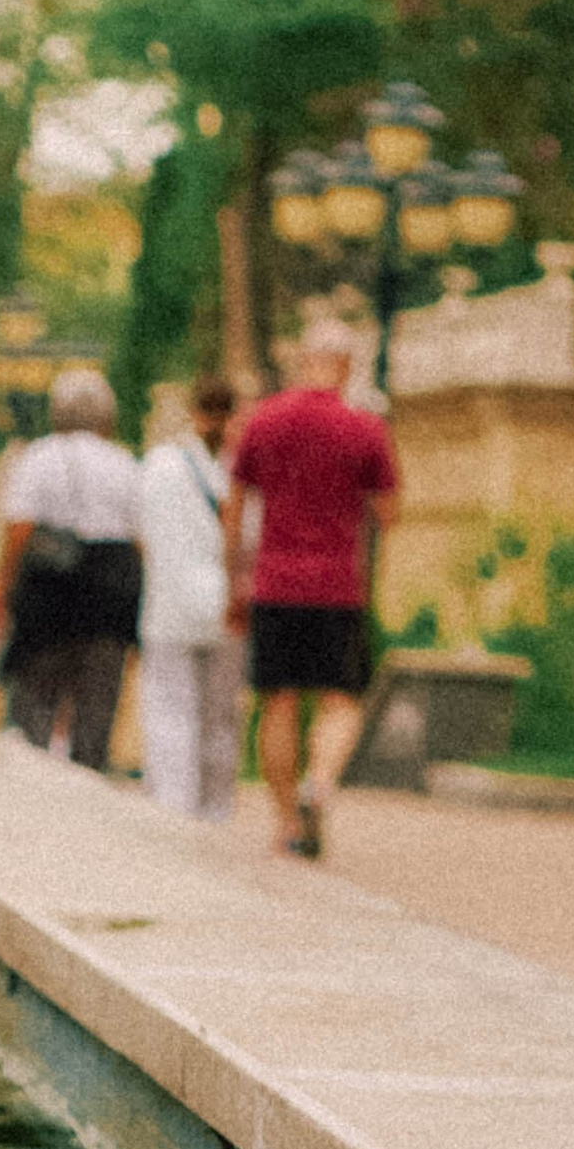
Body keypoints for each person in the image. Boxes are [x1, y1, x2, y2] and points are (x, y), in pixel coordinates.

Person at [224, 320, 397, 861]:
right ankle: (318, 785)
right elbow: (389, 514)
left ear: (303, 360)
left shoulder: (263, 421)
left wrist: (236, 577)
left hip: (273, 583)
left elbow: (235, 507)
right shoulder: (365, 429)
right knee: (341, 701)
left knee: (277, 702)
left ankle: (285, 822)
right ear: (347, 366)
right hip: (337, 587)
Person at [0, 366, 144, 770]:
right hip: (110, 591)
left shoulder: (39, 457)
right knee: (96, 705)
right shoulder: (124, 462)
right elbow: (140, 539)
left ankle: (30, 783)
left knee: (36, 699)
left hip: (50, 589)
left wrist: (5, 581)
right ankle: (89, 786)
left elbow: (20, 527)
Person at [135, 380, 242, 819]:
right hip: (224, 604)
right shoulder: (239, 467)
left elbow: (139, 531)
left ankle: (172, 807)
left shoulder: (160, 463)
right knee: (221, 716)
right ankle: (215, 810)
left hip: (169, 603)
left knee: (170, 710)